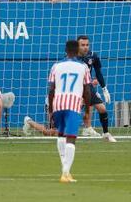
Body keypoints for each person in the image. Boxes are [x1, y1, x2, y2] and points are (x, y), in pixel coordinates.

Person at [48, 40, 92, 183]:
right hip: (73, 104)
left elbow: (51, 89)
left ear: (66, 50)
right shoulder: (83, 67)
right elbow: (87, 90)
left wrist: (50, 109)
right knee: (71, 137)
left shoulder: (56, 66)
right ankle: (65, 173)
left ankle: (65, 170)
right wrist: (87, 110)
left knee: (61, 134)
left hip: (58, 104)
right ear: (77, 50)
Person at [77, 36, 116, 142]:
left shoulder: (92, 56)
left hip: (87, 86)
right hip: (75, 87)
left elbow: (98, 72)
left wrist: (104, 89)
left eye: (87, 45)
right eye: (82, 45)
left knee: (102, 108)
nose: (85, 47)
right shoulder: (71, 57)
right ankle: (66, 132)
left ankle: (106, 134)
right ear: (77, 46)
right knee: (74, 110)